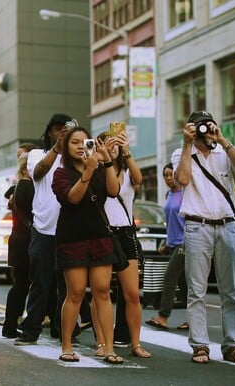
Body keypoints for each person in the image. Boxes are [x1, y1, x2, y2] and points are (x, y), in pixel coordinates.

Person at [172, 110, 235, 364]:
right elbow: (182, 179)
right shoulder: (182, 153)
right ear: (191, 130)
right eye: (200, 127)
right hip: (197, 226)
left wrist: (223, 140)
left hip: (227, 225)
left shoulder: (222, 151)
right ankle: (200, 346)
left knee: (231, 290)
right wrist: (187, 144)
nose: (206, 130)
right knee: (197, 290)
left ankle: (231, 345)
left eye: (209, 125)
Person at [51, 126, 123, 363]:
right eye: (75, 142)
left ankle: (109, 348)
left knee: (102, 292)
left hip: (100, 236)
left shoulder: (100, 167)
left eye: (85, 141)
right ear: (65, 147)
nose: (81, 146)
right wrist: (89, 170)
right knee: (76, 293)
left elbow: (113, 191)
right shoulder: (61, 174)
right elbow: (73, 197)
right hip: (72, 238)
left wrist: (108, 162)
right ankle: (67, 345)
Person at [92, 129, 151, 358]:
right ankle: (101, 342)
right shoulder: (97, 169)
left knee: (132, 294)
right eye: (108, 142)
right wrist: (104, 158)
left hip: (125, 233)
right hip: (104, 232)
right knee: (101, 291)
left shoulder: (128, 170)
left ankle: (135, 343)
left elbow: (139, 179)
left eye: (116, 143)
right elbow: (107, 190)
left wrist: (126, 153)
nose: (113, 145)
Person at [14, 113, 72, 346]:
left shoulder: (77, 154)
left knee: (68, 284)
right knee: (40, 281)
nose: (61, 133)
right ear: (49, 132)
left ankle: (64, 328)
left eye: (66, 129)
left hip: (69, 228)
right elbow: (38, 173)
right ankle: (30, 330)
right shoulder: (38, 154)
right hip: (44, 228)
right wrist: (57, 149)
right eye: (57, 128)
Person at [145, 163, 188, 331]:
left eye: (172, 174)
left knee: (170, 277)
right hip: (175, 243)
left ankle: (163, 317)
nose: (169, 178)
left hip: (186, 242)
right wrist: (166, 244)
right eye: (166, 175)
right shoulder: (169, 194)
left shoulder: (186, 193)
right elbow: (171, 223)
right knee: (185, 283)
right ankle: (193, 320)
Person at [2, 152, 34, 338]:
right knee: (22, 285)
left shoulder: (21, 187)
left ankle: (12, 324)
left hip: (21, 242)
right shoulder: (25, 186)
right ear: (24, 169)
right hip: (24, 243)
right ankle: (11, 324)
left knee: (22, 285)